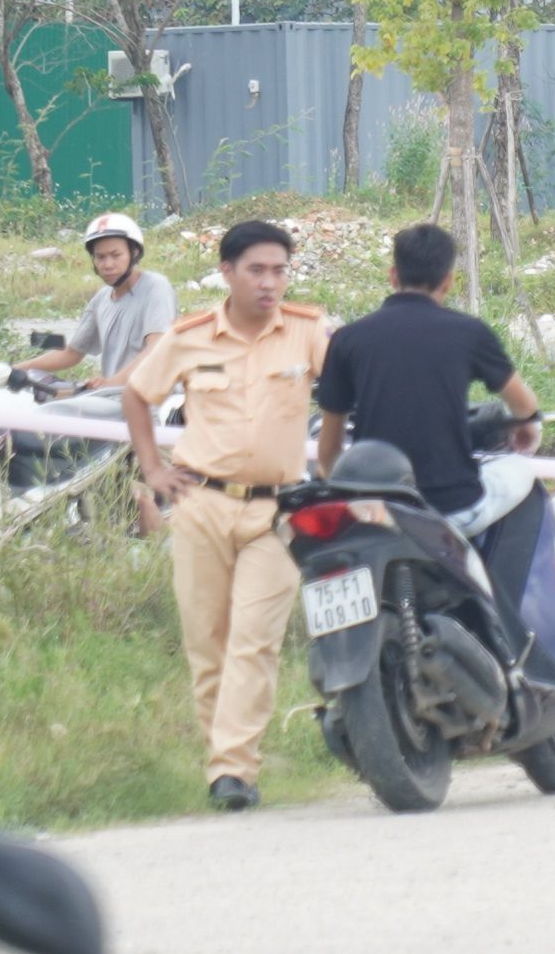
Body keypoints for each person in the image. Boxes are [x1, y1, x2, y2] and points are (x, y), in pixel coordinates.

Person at [119, 221, 327, 812]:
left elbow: (347, 390)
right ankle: (224, 764)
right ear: (227, 271)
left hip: (276, 512)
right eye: (257, 270)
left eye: (280, 270)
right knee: (206, 641)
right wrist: (154, 468)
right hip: (201, 503)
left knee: (254, 640)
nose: (270, 282)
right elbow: (136, 394)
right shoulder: (188, 337)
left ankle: (233, 770)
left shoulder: (309, 333)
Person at [314, 224, 555, 678]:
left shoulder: (348, 340)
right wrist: (525, 431)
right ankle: (512, 621)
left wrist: (346, 492)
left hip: (379, 511)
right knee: (521, 477)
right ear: (449, 280)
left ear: (392, 274)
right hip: (453, 509)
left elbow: (330, 448)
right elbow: (525, 406)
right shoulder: (468, 333)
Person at [18, 213, 176, 534]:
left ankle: (156, 559)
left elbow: (156, 350)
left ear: (134, 253)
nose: (107, 264)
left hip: (148, 408)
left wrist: (112, 382)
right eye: (100, 257)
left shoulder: (155, 287)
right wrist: (16, 369)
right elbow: (71, 353)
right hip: (110, 409)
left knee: (146, 493)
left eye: (116, 255)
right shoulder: (101, 299)